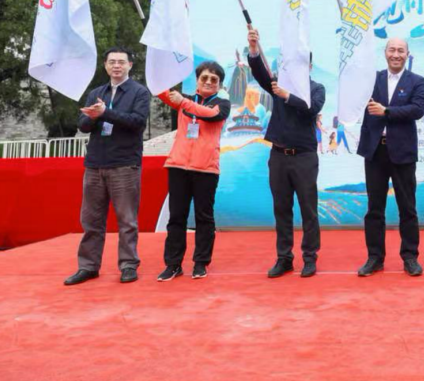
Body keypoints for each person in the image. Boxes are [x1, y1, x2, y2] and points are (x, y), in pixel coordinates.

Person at [64, 47, 152, 286]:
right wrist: (92, 117)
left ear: (130, 65)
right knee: (91, 220)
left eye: (121, 62)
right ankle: (88, 266)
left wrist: (106, 113)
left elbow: (137, 122)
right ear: (105, 66)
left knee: (127, 220)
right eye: (112, 62)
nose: (116, 66)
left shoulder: (139, 92)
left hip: (124, 164)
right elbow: (83, 125)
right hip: (95, 164)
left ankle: (128, 265)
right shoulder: (96, 93)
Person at [248, 28, 326, 279]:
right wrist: (254, 48)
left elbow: (311, 108)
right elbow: (260, 74)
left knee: (308, 209)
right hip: (279, 156)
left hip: (304, 157)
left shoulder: (317, 88)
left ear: (309, 66)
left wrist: (288, 95)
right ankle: (284, 258)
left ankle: (310, 257)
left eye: (301, 63)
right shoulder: (278, 85)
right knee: (282, 208)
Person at [356, 38, 424, 277]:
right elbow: (355, 100)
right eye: (392, 50)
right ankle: (375, 257)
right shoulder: (371, 79)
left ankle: (410, 257)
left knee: (407, 207)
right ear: (385, 52)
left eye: (400, 50)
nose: (396, 54)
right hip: (375, 151)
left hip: (403, 152)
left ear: (407, 54)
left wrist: (386, 111)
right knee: (374, 208)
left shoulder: (416, 81)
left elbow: (417, 109)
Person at [154, 62, 231, 281]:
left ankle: (200, 263)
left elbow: (211, 115)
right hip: (178, 166)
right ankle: (173, 264)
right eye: (204, 78)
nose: (208, 82)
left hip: (206, 169)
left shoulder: (222, 103)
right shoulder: (184, 100)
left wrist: (184, 102)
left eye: (214, 80)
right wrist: (158, 66)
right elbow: (159, 89)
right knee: (176, 217)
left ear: (219, 84)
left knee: (203, 217)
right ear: (197, 80)